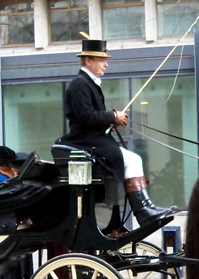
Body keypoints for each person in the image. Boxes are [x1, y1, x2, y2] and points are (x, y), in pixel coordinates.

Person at [57, 38, 174, 225]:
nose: (106, 64)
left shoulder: (87, 83)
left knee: (133, 159)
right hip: (86, 141)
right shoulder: (80, 84)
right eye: (102, 60)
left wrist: (111, 122)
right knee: (134, 159)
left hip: (93, 138)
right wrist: (112, 117)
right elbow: (87, 117)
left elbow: (90, 119)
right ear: (88, 61)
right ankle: (143, 211)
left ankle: (146, 207)